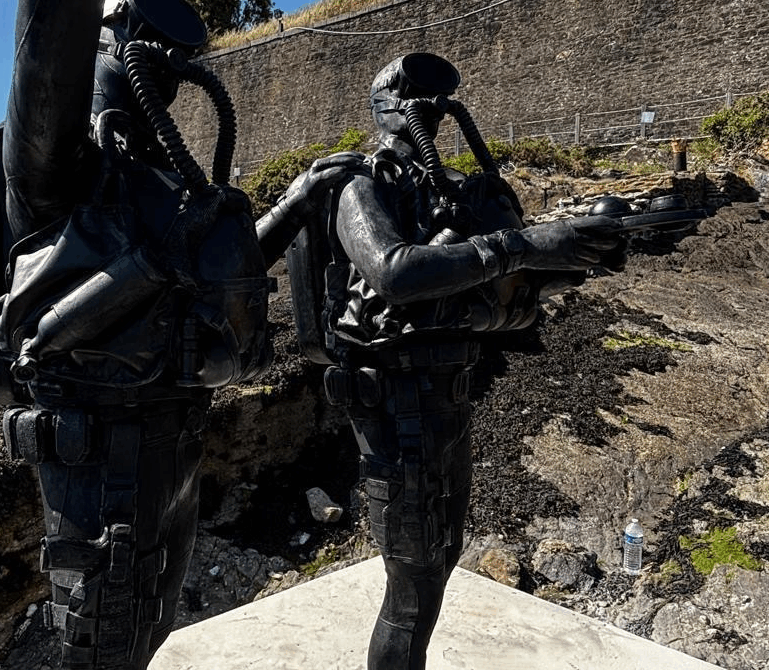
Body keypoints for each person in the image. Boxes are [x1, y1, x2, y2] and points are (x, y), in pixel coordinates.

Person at [0, 1, 277, 667]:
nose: (172, 55)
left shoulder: (159, 173)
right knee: (102, 652)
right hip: (102, 470)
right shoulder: (58, 167)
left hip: (172, 452)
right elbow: (45, 62)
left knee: (148, 637)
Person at [269, 52, 628, 669]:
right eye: (415, 95)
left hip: (448, 402)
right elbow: (394, 272)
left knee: (439, 561)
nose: (432, 110)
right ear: (385, 105)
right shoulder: (361, 185)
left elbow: (496, 292)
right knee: (411, 582)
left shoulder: (450, 193)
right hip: (395, 407)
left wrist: (575, 258)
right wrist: (521, 245)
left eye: (438, 100)